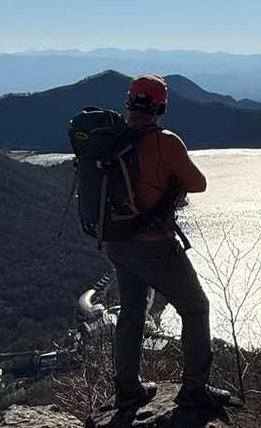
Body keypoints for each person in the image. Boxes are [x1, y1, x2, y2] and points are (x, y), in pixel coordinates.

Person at [106, 74, 231, 410]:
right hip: (153, 245)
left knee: (132, 312)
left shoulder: (112, 138)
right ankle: (194, 390)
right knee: (195, 307)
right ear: (160, 107)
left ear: (129, 101)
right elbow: (198, 183)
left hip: (117, 241)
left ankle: (127, 388)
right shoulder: (165, 142)